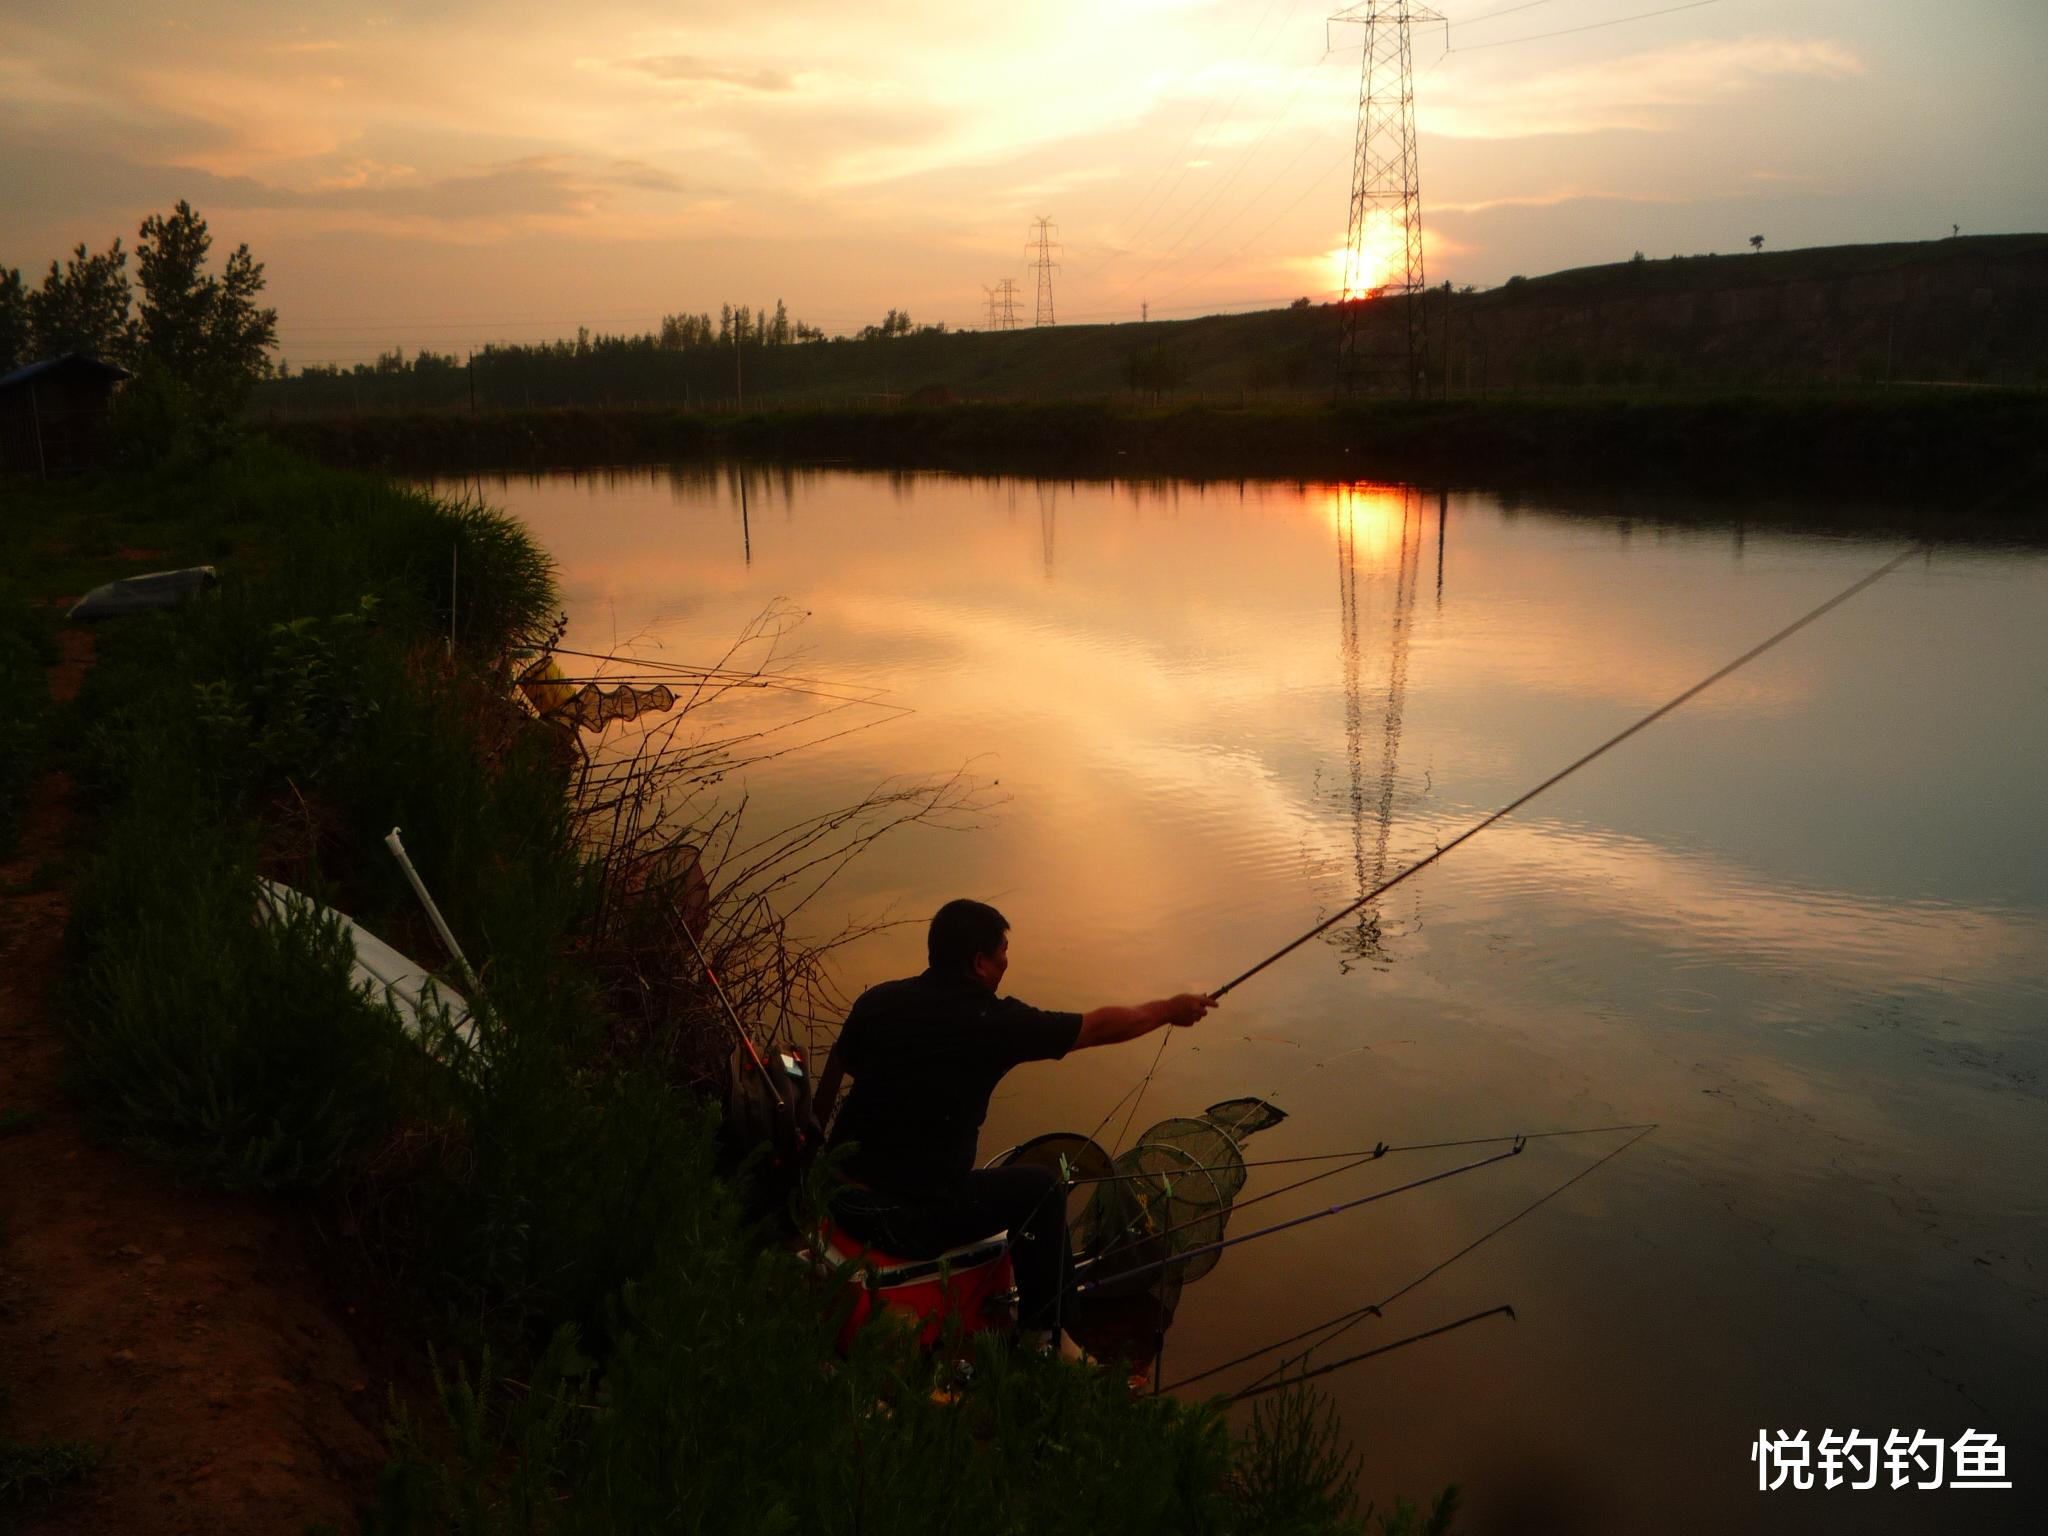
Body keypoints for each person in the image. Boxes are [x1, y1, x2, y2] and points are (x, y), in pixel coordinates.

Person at [812, 898, 1215, 1356]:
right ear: (980, 962)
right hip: (900, 1222)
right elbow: (1099, 1027)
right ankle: (1047, 1339)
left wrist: (815, 1148)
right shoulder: (994, 1024)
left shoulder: (879, 1000)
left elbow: (835, 1067)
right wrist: (1169, 1009)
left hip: (837, 1196)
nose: (1007, 959)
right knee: (1040, 1189)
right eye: (1002, 950)